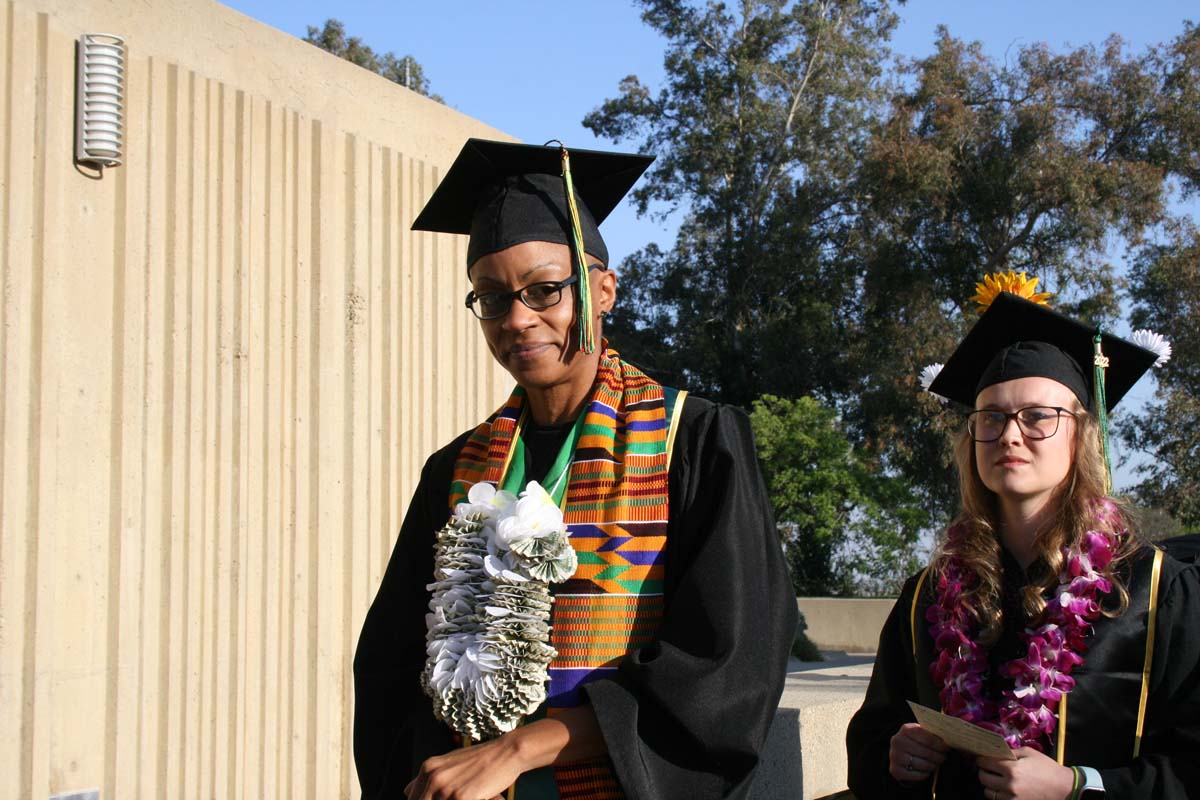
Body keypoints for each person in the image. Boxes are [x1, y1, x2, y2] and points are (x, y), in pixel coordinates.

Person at [353, 138, 796, 800]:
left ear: (604, 289)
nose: (519, 319)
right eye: (493, 298)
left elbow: (729, 664)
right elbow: (393, 665)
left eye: (545, 290)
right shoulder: (457, 470)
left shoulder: (694, 441)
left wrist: (524, 747)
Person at [846, 280, 1200, 799]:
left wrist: (1078, 786)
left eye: (1038, 417)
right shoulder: (928, 594)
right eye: (990, 418)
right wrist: (892, 755)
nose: (1010, 434)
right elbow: (874, 734)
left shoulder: (1156, 590)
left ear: (1080, 435)